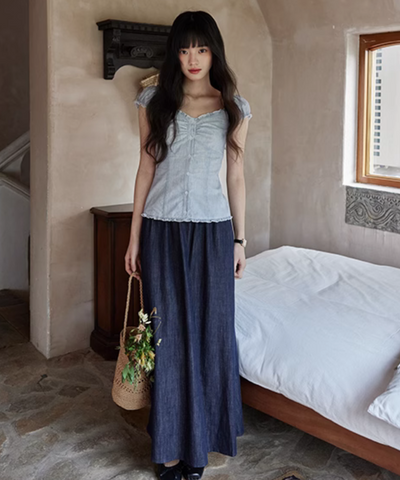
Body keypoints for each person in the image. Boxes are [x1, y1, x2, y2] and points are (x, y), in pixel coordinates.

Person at [125, 10, 252, 480]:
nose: (193, 58)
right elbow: (145, 169)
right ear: (174, 54)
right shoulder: (154, 100)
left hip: (214, 232)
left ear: (213, 51)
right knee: (167, 337)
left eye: (201, 48)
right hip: (160, 231)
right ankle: (169, 450)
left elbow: (236, 175)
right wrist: (134, 237)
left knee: (211, 336)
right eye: (183, 49)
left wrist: (240, 240)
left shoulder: (234, 106)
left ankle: (198, 447)